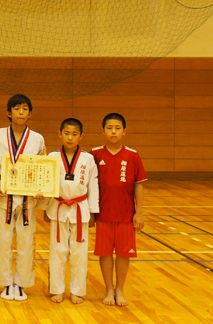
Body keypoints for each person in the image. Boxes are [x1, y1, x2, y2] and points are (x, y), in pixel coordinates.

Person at [0, 94, 46, 301]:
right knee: (2, 240)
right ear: (8, 112)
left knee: (25, 241)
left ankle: (21, 283)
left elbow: (42, 167)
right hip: (3, 194)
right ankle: (5, 282)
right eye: (16, 108)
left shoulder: (37, 139)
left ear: (30, 114)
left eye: (24, 109)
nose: (21, 112)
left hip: (27, 197)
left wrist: (40, 188)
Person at [91, 112, 146, 307]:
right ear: (103, 131)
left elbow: (139, 184)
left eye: (117, 128)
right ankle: (108, 289)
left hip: (126, 215)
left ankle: (120, 289)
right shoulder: (95, 154)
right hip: (103, 214)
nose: (113, 132)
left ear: (124, 131)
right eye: (109, 128)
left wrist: (139, 212)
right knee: (105, 253)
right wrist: (91, 212)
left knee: (123, 253)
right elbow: (89, 185)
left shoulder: (132, 155)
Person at [45, 118, 99, 304]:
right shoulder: (52, 156)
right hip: (58, 207)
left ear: (81, 136)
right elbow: (47, 183)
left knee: (79, 252)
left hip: (80, 208)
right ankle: (57, 289)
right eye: (66, 133)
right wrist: (45, 207)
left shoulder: (88, 158)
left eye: (74, 134)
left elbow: (93, 186)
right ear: (59, 134)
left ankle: (77, 290)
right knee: (57, 250)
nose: (70, 138)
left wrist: (93, 212)